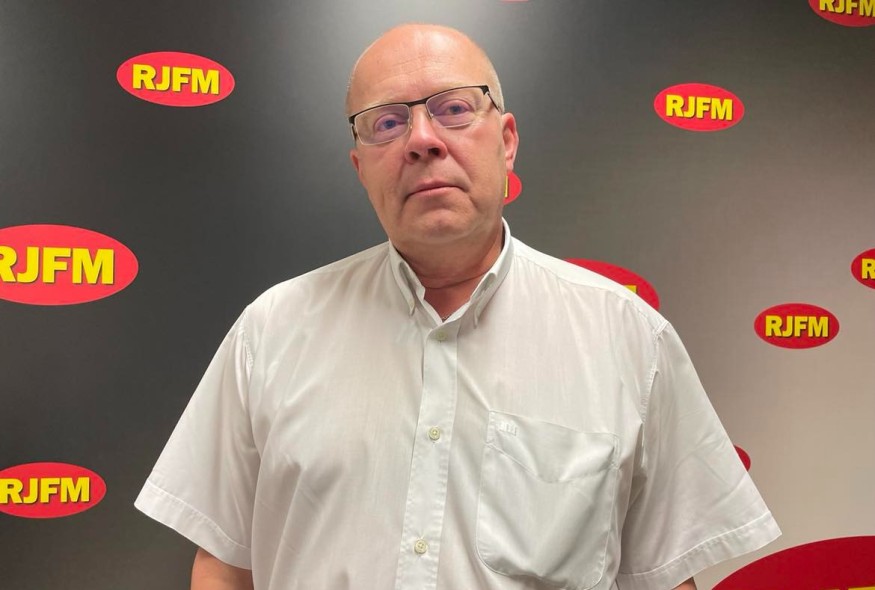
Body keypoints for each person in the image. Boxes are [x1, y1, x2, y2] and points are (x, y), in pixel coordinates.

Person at [135, 23, 780, 590]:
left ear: (507, 140)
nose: (422, 140)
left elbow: (664, 578)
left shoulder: (631, 341)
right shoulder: (272, 332)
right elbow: (223, 566)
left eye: (453, 109)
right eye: (387, 122)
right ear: (360, 166)